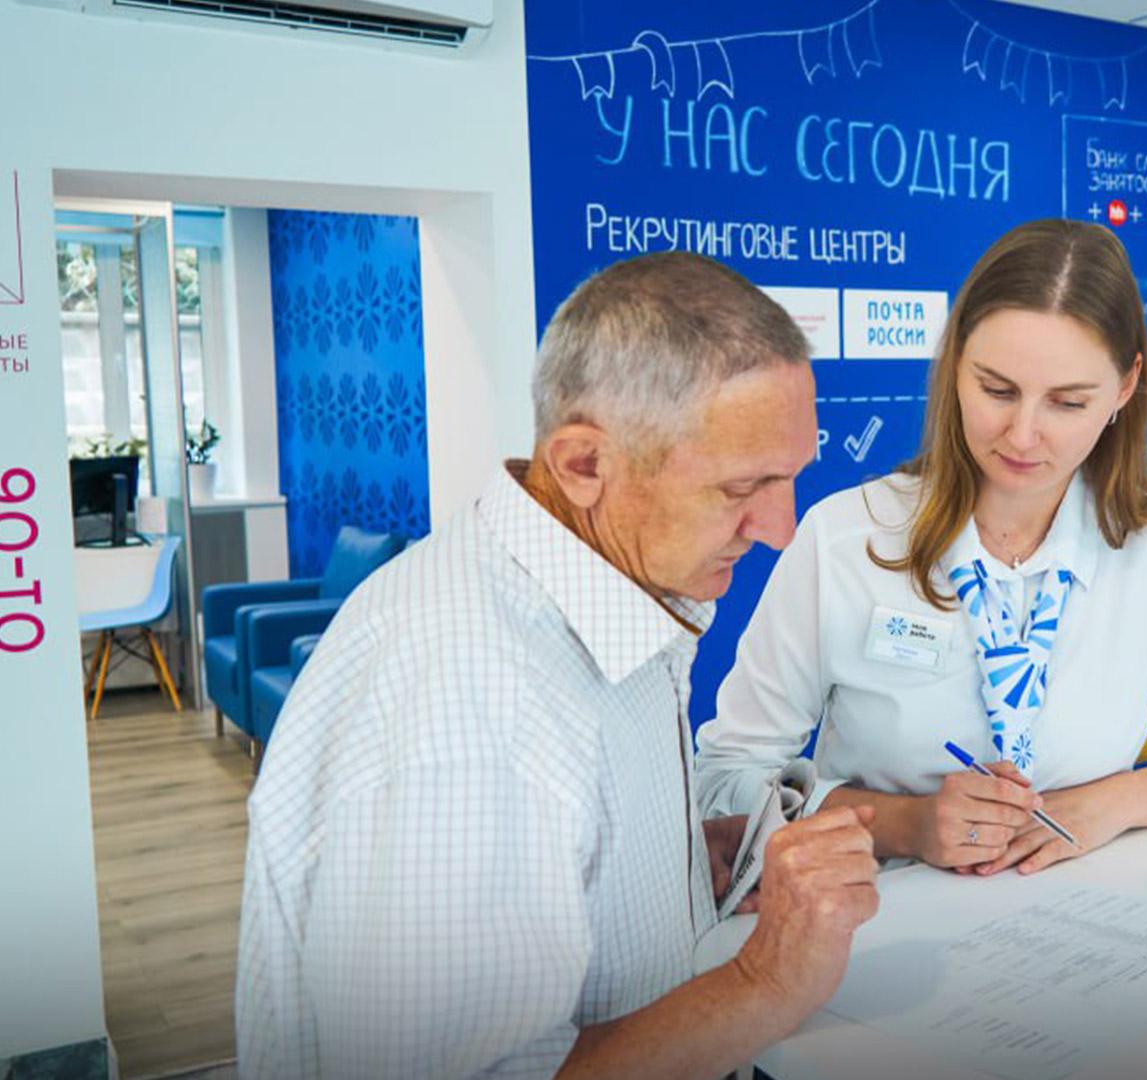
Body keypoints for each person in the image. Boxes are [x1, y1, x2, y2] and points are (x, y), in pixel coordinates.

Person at [237, 252, 880, 1079]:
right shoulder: (466, 704)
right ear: (584, 465)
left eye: (789, 479)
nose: (780, 529)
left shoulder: (599, 590)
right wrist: (771, 978)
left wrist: (677, 869)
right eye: (739, 488)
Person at [695, 219, 1147, 876]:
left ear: (1125, 387)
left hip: (1087, 916)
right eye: (997, 390)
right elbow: (723, 782)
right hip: (877, 919)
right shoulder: (845, 539)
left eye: (1068, 402)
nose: (1022, 435)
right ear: (955, 362)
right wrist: (906, 825)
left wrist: (1116, 802)